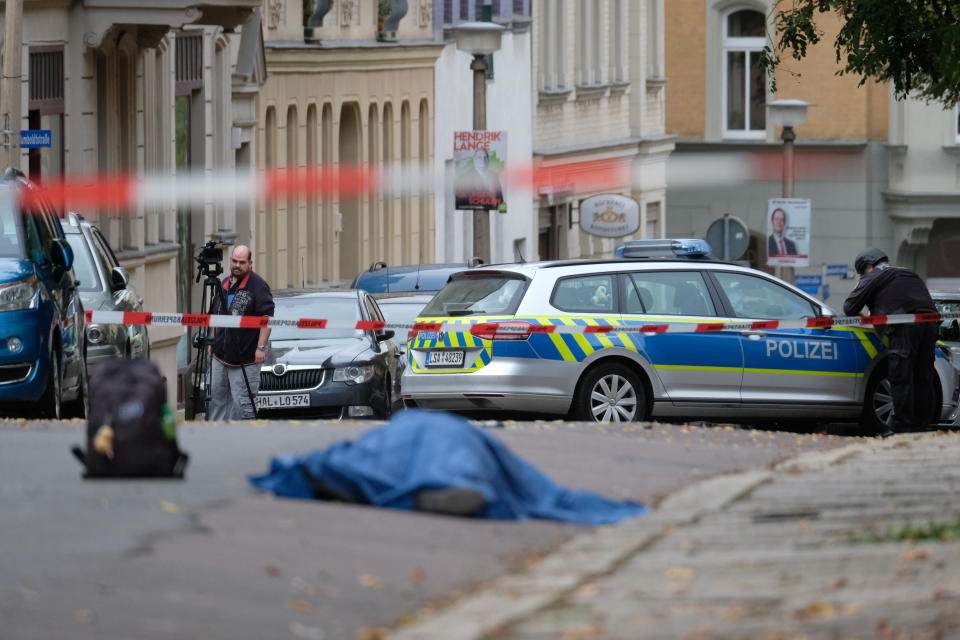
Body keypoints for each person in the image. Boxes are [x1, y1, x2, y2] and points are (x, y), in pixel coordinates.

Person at [843, 248, 938, 437]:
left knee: (901, 376)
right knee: (923, 376)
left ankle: (901, 427)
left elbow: (849, 307)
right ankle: (922, 426)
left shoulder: (874, 275)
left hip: (904, 327)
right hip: (930, 324)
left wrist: (867, 317)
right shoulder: (908, 273)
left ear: (867, 266)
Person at [207, 245, 274, 420]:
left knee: (242, 405)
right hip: (220, 356)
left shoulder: (258, 286)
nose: (237, 265)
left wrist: (261, 347)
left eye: (242, 262)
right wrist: (212, 341)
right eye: (235, 261)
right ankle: (217, 439)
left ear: (250, 263)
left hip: (246, 359)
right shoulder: (224, 283)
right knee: (216, 401)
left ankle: (244, 441)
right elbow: (216, 314)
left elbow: (267, 318)